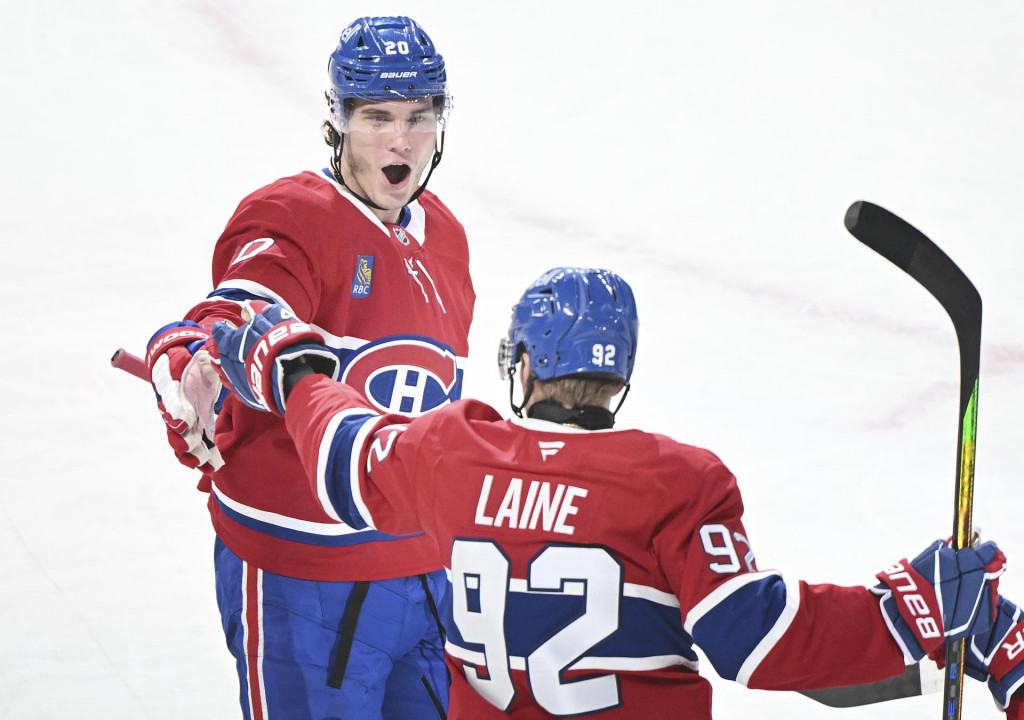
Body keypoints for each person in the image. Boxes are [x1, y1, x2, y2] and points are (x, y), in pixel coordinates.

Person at [207, 267, 1023, 719]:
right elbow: (757, 639)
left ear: (525, 366)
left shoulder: (449, 451)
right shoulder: (676, 482)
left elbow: (348, 451)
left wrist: (297, 371)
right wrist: (907, 608)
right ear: (618, 375)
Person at [144, 16, 472, 720]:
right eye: (377, 115)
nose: (401, 139)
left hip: (425, 578)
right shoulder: (292, 216)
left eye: (420, 116)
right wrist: (197, 360)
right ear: (339, 120)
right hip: (305, 582)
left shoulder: (444, 234)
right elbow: (236, 311)